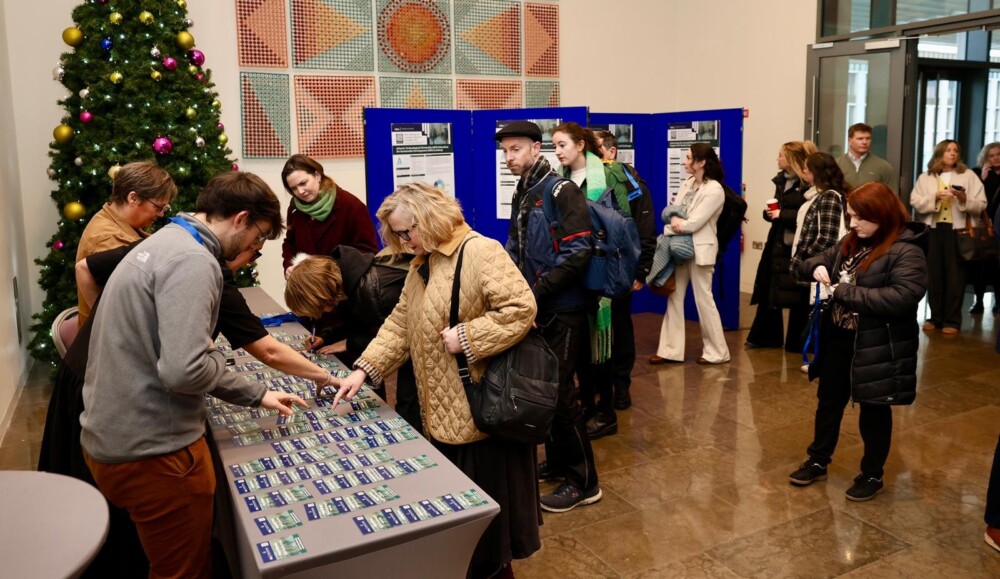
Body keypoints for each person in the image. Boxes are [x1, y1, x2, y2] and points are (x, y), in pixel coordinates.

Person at [79, 172, 309, 578]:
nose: (255, 247)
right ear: (240, 218)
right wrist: (239, 379)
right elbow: (185, 369)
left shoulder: (166, 240)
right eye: (258, 237)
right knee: (183, 571)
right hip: (155, 452)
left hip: (114, 434)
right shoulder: (193, 260)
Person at [325, 182, 540, 578]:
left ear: (431, 218)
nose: (405, 241)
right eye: (398, 234)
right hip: (443, 412)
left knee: (488, 538)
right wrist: (364, 368)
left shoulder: (480, 251)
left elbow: (521, 309)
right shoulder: (420, 263)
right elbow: (400, 325)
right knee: (462, 525)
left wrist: (468, 337)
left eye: (410, 231)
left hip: (481, 416)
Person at [788, 182, 928, 502]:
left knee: (874, 411)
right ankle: (818, 459)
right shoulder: (850, 241)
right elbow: (810, 261)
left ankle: (872, 473)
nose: (853, 224)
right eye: (850, 217)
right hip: (839, 337)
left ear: (882, 214)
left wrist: (843, 292)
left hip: (879, 343)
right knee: (829, 402)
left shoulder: (907, 249)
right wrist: (819, 266)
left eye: (860, 218)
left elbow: (902, 298)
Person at [494, 120, 602, 512]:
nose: (509, 157)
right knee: (545, 390)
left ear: (536, 149)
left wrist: (533, 297)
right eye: (505, 151)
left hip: (564, 308)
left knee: (560, 395)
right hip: (537, 309)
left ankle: (584, 482)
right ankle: (558, 462)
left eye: (516, 149)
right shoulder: (525, 192)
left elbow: (577, 253)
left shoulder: (562, 190)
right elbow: (515, 251)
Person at [548, 123, 651, 438]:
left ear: (581, 145)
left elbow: (627, 226)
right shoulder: (560, 181)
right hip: (572, 273)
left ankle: (607, 408)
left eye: (562, 144)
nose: (558, 151)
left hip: (604, 274)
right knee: (580, 348)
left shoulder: (610, 177)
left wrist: (638, 270)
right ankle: (591, 404)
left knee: (606, 343)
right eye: (554, 145)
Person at [283, 248, 421, 432]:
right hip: (408, 345)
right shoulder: (346, 276)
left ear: (322, 294)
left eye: (320, 308)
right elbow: (354, 319)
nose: (324, 312)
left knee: (411, 410)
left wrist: (349, 343)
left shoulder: (374, 292)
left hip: (423, 353)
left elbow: (400, 337)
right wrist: (326, 336)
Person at [593, 130, 656, 415]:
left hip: (620, 270)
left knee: (620, 329)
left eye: (596, 150)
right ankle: (597, 387)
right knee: (595, 331)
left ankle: (621, 387)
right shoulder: (584, 181)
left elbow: (645, 230)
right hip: (592, 271)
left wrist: (641, 272)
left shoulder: (631, 183)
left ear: (611, 152)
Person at [649, 143, 730, 365]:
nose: (684, 161)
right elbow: (676, 212)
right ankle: (670, 351)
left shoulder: (715, 189)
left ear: (701, 162)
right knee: (674, 296)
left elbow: (692, 222)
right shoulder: (687, 183)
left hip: (700, 250)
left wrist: (670, 225)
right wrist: (674, 222)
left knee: (704, 300)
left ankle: (717, 352)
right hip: (680, 248)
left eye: (688, 157)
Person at [75, 161, 177, 326]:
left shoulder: (114, 219)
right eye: (158, 207)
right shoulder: (108, 239)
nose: (160, 214)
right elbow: (135, 303)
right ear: (133, 198)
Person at [911, 140, 987, 335]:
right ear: (939, 153)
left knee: (956, 276)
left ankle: (951, 320)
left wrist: (963, 199)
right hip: (933, 230)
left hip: (958, 231)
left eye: (955, 150)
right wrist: (935, 196)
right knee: (934, 274)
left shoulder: (968, 175)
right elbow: (915, 201)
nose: (952, 153)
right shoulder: (926, 177)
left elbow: (981, 204)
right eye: (948, 150)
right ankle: (935, 316)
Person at [747, 141, 815, 352]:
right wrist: (770, 215)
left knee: (798, 295)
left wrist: (782, 215)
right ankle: (766, 337)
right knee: (770, 289)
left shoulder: (807, 185)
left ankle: (798, 342)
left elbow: (808, 216)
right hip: (777, 243)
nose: (777, 159)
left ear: (791, 160)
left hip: (794, 247)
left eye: (781, 155)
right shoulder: (781, 182)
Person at [280, 154, 378, 276]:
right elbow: (290, 243)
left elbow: (367, 253)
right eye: (293, 188)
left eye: (303, 183)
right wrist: (289, 266)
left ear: (317, 176)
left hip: (343, 288)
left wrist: (333, 272)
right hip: (309, 286)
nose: (300, 192)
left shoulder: (352, 206)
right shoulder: (295, 209)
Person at [969, 142, 1000, 315]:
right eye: (991, 155)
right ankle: (978, 301)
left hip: (998, 225)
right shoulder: (976, 173)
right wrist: (982, 179)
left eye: (998, 154)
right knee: (978, 266)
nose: (995, 158)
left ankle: (998, 302)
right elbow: (973, 198)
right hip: (981, 226)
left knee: (997, 266)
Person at [836, 122, 897, 194]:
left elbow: (892, 196)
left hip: (872, 205)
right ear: (850, 141)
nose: (865, 142)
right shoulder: (837, 164)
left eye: (868, 138)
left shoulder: (883, 166)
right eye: (860, 139)